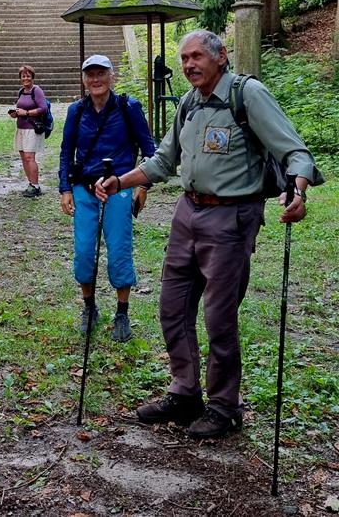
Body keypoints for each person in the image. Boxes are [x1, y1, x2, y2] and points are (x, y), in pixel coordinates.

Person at [96, 30, 323, 437]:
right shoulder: (188, 103)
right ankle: (185, 394)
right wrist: (121, 181)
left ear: (220, 57)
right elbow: (164, 160)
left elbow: (295, 152)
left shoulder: (246, 95)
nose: (188, 66)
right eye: (183, 59)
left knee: (219, 317)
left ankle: (224, 407)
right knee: (172, 306)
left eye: (196, 56)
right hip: (188, 213)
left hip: (232, 218)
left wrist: (299, 192)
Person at [59, 55, 155, 343]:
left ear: (112, 76)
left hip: (120, 187)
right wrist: (65, 189)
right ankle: (89, 307)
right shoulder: (77, 111)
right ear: (84, 79)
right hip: (85, 188)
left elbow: (149, 148)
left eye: (101, 73)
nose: (96, 79)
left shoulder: (128, 107)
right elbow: (66, 152)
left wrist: (144, 186)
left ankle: (122, 312)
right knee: (85, 250)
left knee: (119, 249)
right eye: (90, 74)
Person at [9, 64, 48, 198]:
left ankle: (36, 185)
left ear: (32, 77)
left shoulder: (36, 91)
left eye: (28, 75)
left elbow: (43, 108)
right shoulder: (21, 91)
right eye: (23, 76)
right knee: (23, 157)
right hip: (20, 128)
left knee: (30, 157)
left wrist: (26, 113)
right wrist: (16, 113)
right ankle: (30, 183)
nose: (26, 78)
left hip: (32, 128)